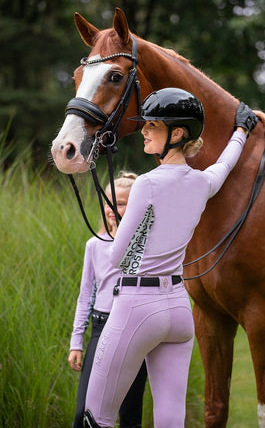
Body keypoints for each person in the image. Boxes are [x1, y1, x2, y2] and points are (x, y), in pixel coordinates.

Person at [83, 87, 258, 428]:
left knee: (96, 416)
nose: (144, 130)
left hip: (137, 304)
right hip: (178, 308)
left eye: (153, 125)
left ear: (177, 134)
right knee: (170, 419)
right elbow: (225, 163)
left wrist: (129, 231)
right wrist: (241, 130)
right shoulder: (203, 182)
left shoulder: (146, 184)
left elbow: (117, 257)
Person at [68, 172, 147, 428]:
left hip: (133, 329)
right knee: (84, 412)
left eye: (121, 203)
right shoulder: (94, 244)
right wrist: (76, 343)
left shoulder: (144, 246)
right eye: (108, 201)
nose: (112, 208)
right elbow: (85, 296)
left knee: (130, 414)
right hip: (101, 328)